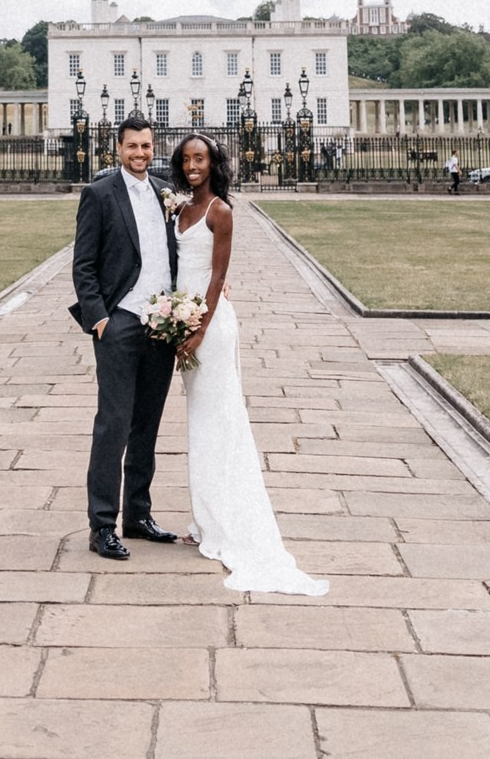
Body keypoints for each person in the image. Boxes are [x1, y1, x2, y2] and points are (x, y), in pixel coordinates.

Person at [166, 132, 327, 596]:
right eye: (187, 159)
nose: (193, 165)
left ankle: (225, 521)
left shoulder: (221, 211)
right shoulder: (179, 208)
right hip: (187, 320)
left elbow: (218, 276)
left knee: (220, 420)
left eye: (201, 159)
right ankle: (207, 516)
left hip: (210, 328)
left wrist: (198, 329)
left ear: (215, 164)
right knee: (202, 421)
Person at [69, 114, 179, 561]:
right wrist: (99, 319)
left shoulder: (164, 193)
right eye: (132, 146)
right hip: (120, 322)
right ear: (118, 149)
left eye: (146, 146)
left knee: (147, 425)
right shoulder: (99, 194)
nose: (140, 154)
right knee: (113, 425)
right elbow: (84, 265)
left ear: (155, 148)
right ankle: (101, 525)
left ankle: (137, 514)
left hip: (163, 323)